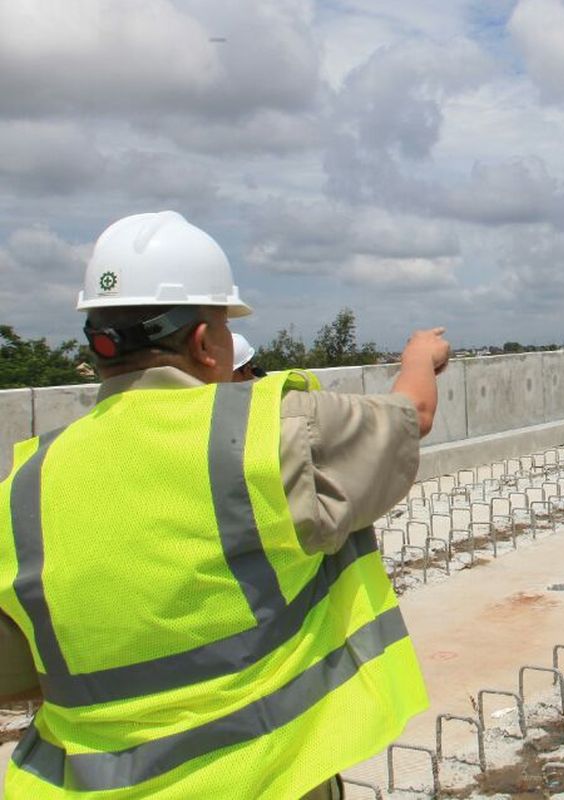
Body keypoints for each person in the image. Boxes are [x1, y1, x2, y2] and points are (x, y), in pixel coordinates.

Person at [0, 211, 448, 799]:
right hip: (261, 780)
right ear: (204, 343)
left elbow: (14, 674)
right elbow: (410, 416)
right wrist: (420, 355)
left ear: (101, 346)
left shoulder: (25, 483)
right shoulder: (268, 437)